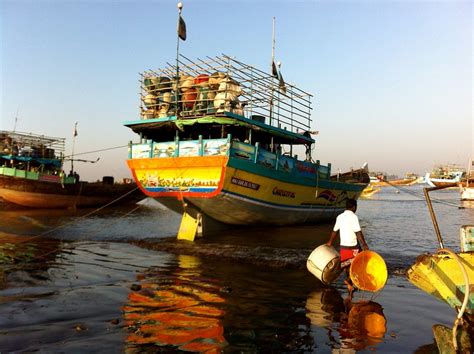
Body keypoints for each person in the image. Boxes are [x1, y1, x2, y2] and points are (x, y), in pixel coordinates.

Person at [326, 198, 369, 298]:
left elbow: (334, 231)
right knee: (358, 262)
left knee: (347, 266)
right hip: (353, 246)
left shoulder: (339, 217)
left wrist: (329, 242)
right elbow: (358, 232)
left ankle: (350, 286)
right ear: (354, 207)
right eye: (356, 207)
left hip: (343, 246)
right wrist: (364, 245)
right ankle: (349, 281)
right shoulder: (353, 217)